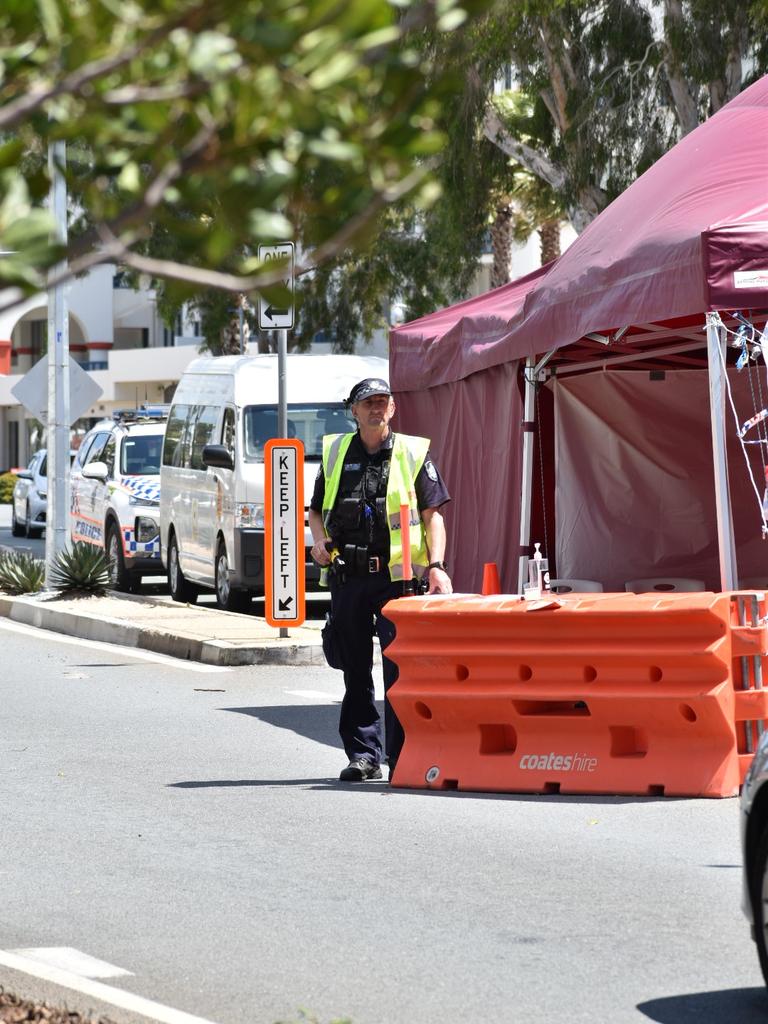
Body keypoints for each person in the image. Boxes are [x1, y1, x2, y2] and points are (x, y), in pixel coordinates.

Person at [308, 377, 452, 783]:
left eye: (383, 402)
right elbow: (316, 510)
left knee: (398, 673)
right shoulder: (336, 453)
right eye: (368, 402)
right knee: (354, 671)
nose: (376, 408)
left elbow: (432, 515)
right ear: (353, 410)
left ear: (392, 409)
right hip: (348, 578)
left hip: (398, 581)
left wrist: (437, 565)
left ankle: (402, 756)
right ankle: (363, 755)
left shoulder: (412, 452)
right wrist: (318, 542)